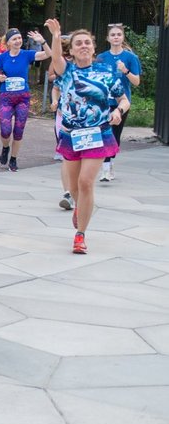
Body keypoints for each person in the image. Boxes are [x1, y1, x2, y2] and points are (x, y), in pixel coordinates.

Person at [45, 18, 128, 254]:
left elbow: (124, 99)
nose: (83, 46)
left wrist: (118, 111)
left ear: (93, 48)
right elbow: (56, 59)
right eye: (78, 43)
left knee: (85, 182)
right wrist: (57, 34)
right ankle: (79, 207)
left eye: (87, 43)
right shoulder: (66, 71)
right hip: (72, 135)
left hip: (98, 134)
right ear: (71, 50)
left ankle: (80, 235)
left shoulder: (107, 72)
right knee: (73, 188)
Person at [0, 28, 51, 172]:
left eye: (19, 38)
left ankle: (13, 158)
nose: (18, 41)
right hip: (6, 97)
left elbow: (48, 54)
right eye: (14, 39)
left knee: (18, 131)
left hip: (23, 98)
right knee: (5, 130)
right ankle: (5, 147)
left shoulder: (27, 55)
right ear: (9, 42)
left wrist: (42, 41)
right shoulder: (3, 57)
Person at [96, 23, 141, 182]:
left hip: (122, 102)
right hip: (104, 101)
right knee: (104, 133)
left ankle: (110, 162)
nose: (116, 37)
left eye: (118, 35)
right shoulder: (101, 57)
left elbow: (136, 82)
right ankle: (106, 169)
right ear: (108, 38)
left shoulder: (130, 58)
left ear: (122, 38)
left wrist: (125, 71)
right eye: (113, 35)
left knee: (115, 135)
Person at [49, 36, 74, 210]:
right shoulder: (64, 71)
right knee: (67, 156)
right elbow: (55, 87)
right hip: (64, 118)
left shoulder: (96, 70)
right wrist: (55, 101)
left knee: (83, 162)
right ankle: (68, 193)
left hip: (88, 124)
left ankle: (79, 192)